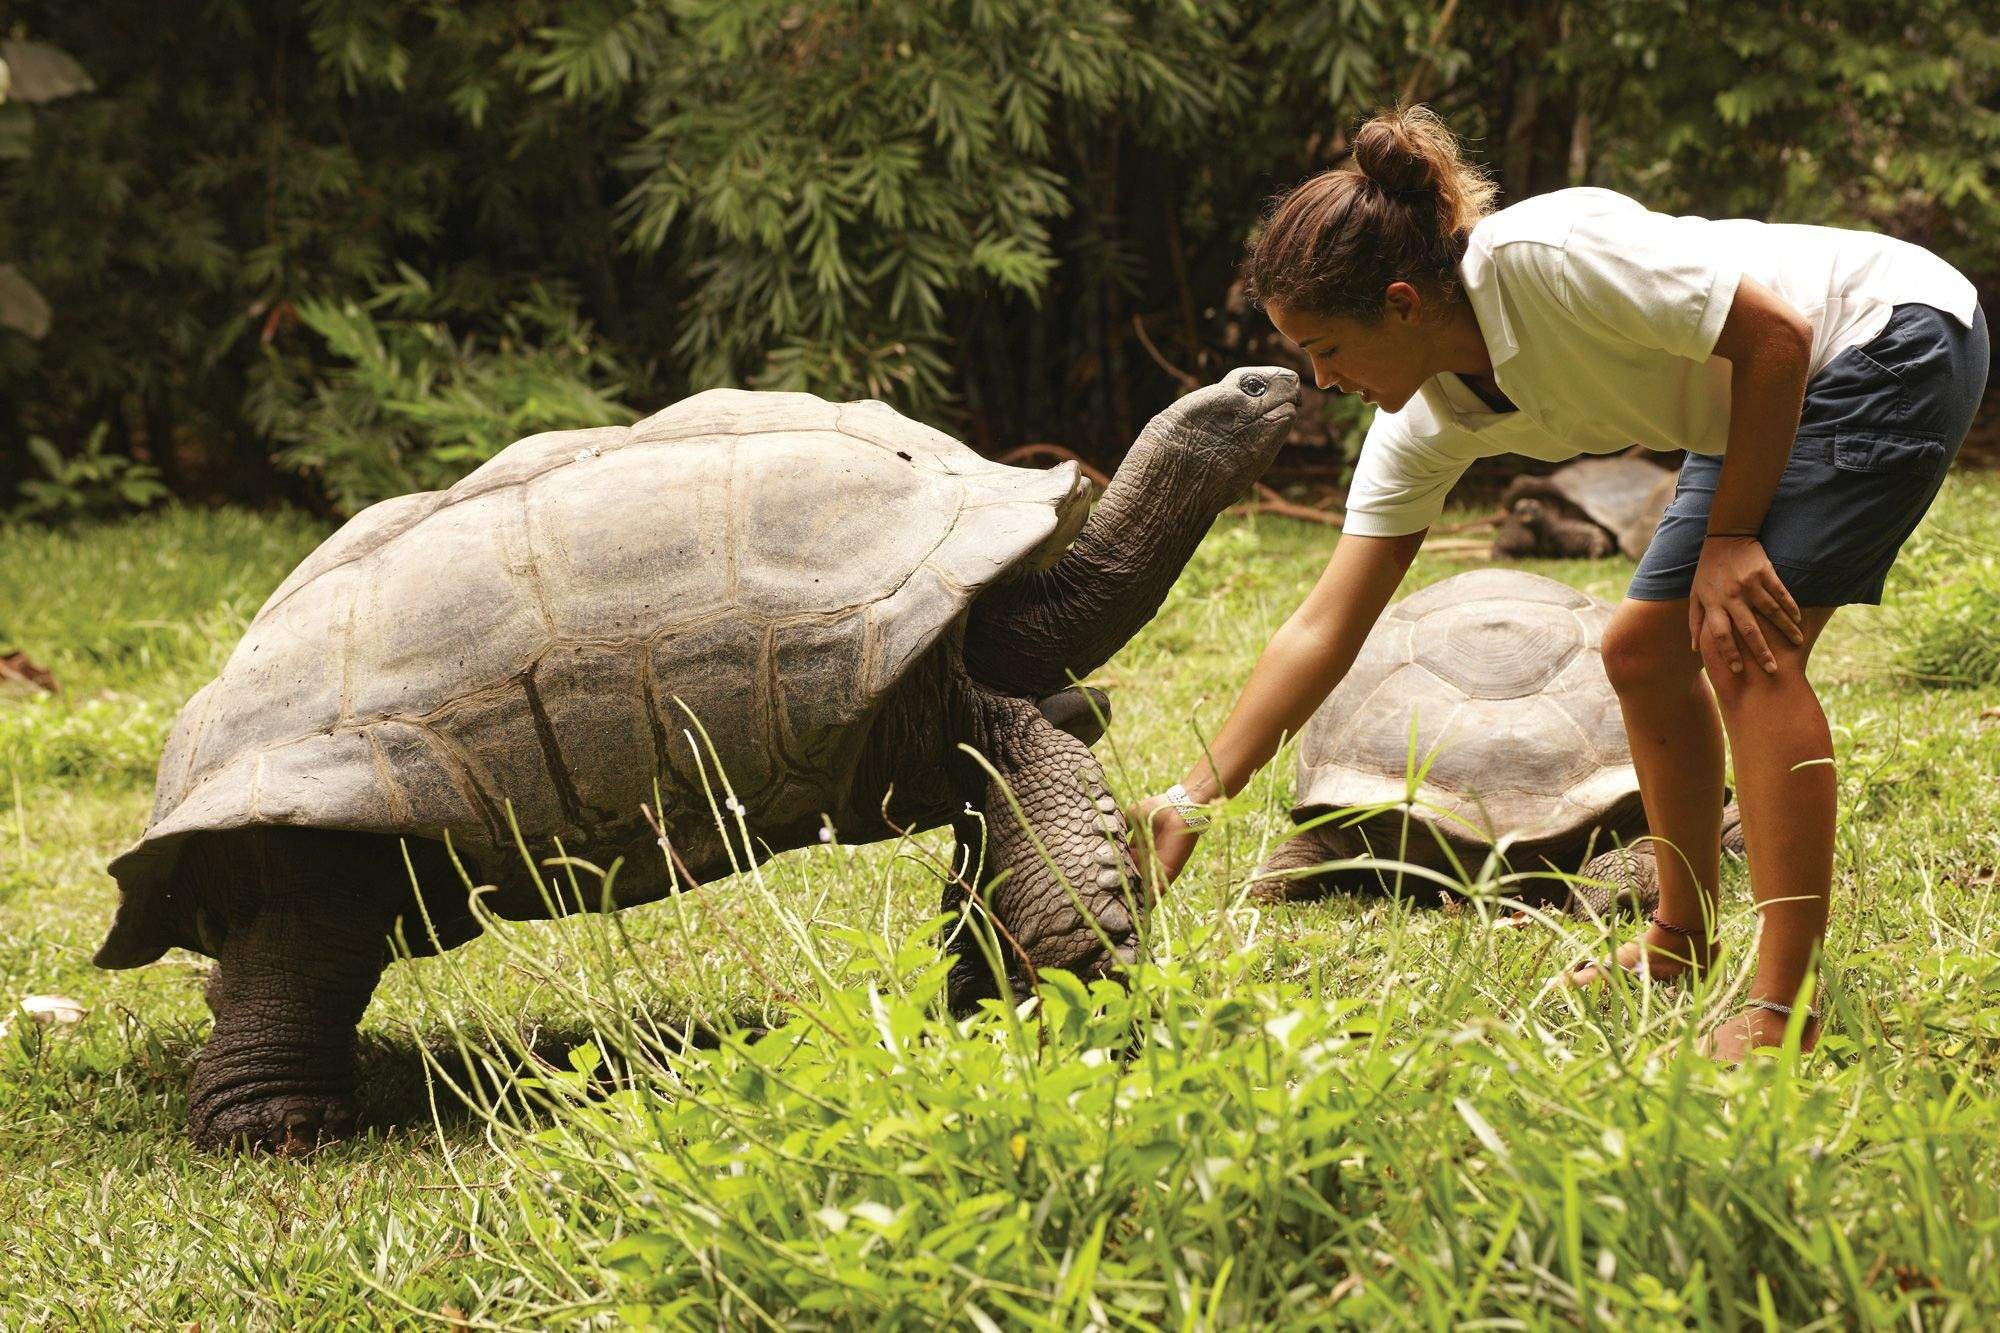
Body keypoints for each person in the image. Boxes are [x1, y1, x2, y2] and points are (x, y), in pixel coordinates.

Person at [1132, 104, 1987, 1061]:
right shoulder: (1424, 424)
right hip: (1741, 395)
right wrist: (1195, 795)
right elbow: (1323, 627)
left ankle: (1783, 1004)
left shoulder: (1547, 255)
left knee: (1743, 644)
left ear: (1405, 304)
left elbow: (1777, 334)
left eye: (1326, 348)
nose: (1321, 380)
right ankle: (1680, 934)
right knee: (1641, 654)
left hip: (1883, 333)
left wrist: (1734, 535)